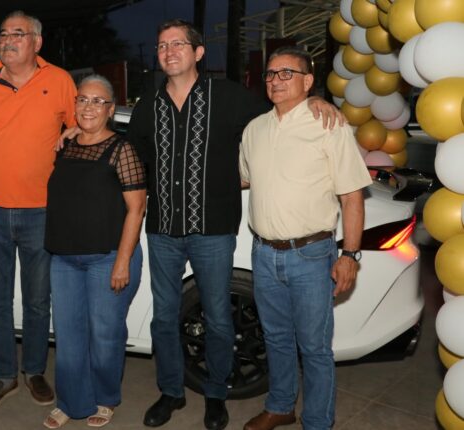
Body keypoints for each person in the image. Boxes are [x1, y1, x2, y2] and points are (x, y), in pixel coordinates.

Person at [127, 20, 343, 430]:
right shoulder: (147, 105)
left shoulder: (228, 96)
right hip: (163, 230)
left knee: (218, 318)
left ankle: (216, 393)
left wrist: (316, 100)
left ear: (198, 52)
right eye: (161, 45)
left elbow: (281, 113)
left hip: (213, 231)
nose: (168, 51)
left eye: (178, 44)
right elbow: (130, 156)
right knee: (164, 317)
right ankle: (171, 391)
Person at [239, 46, 371, 430]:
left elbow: (352, 196)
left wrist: (350, 255)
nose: (276, 80)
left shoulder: (329, 125)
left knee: (314, 347)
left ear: (308, 81)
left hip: (312, 255)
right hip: (263, 253)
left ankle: (317, 422)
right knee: (275, 338)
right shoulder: (254, 129)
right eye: (270, 74)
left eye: (287, 73)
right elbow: (245, 178)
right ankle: (281, 406)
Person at [0, 10, 77, 411]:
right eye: (2, 34)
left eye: (17, 34)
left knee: (37, 301)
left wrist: (75, 130)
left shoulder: (59, 80)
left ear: (36, 42)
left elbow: (85, 125)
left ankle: (34, 371)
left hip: (42, 212)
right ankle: (4, 375)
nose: (7, 41)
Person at [42, 75, 146, 429]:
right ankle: (71, 401)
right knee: (68, 336)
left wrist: (122, 261)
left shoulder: (122, 149)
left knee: (104, 336)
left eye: (98, 101)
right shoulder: (65, 146)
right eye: (83, 99)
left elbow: (136, 209)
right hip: (64, 258)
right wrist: (70, 132)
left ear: (110, 109)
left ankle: (105, 398)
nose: (89, 107)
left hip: (107, 258)